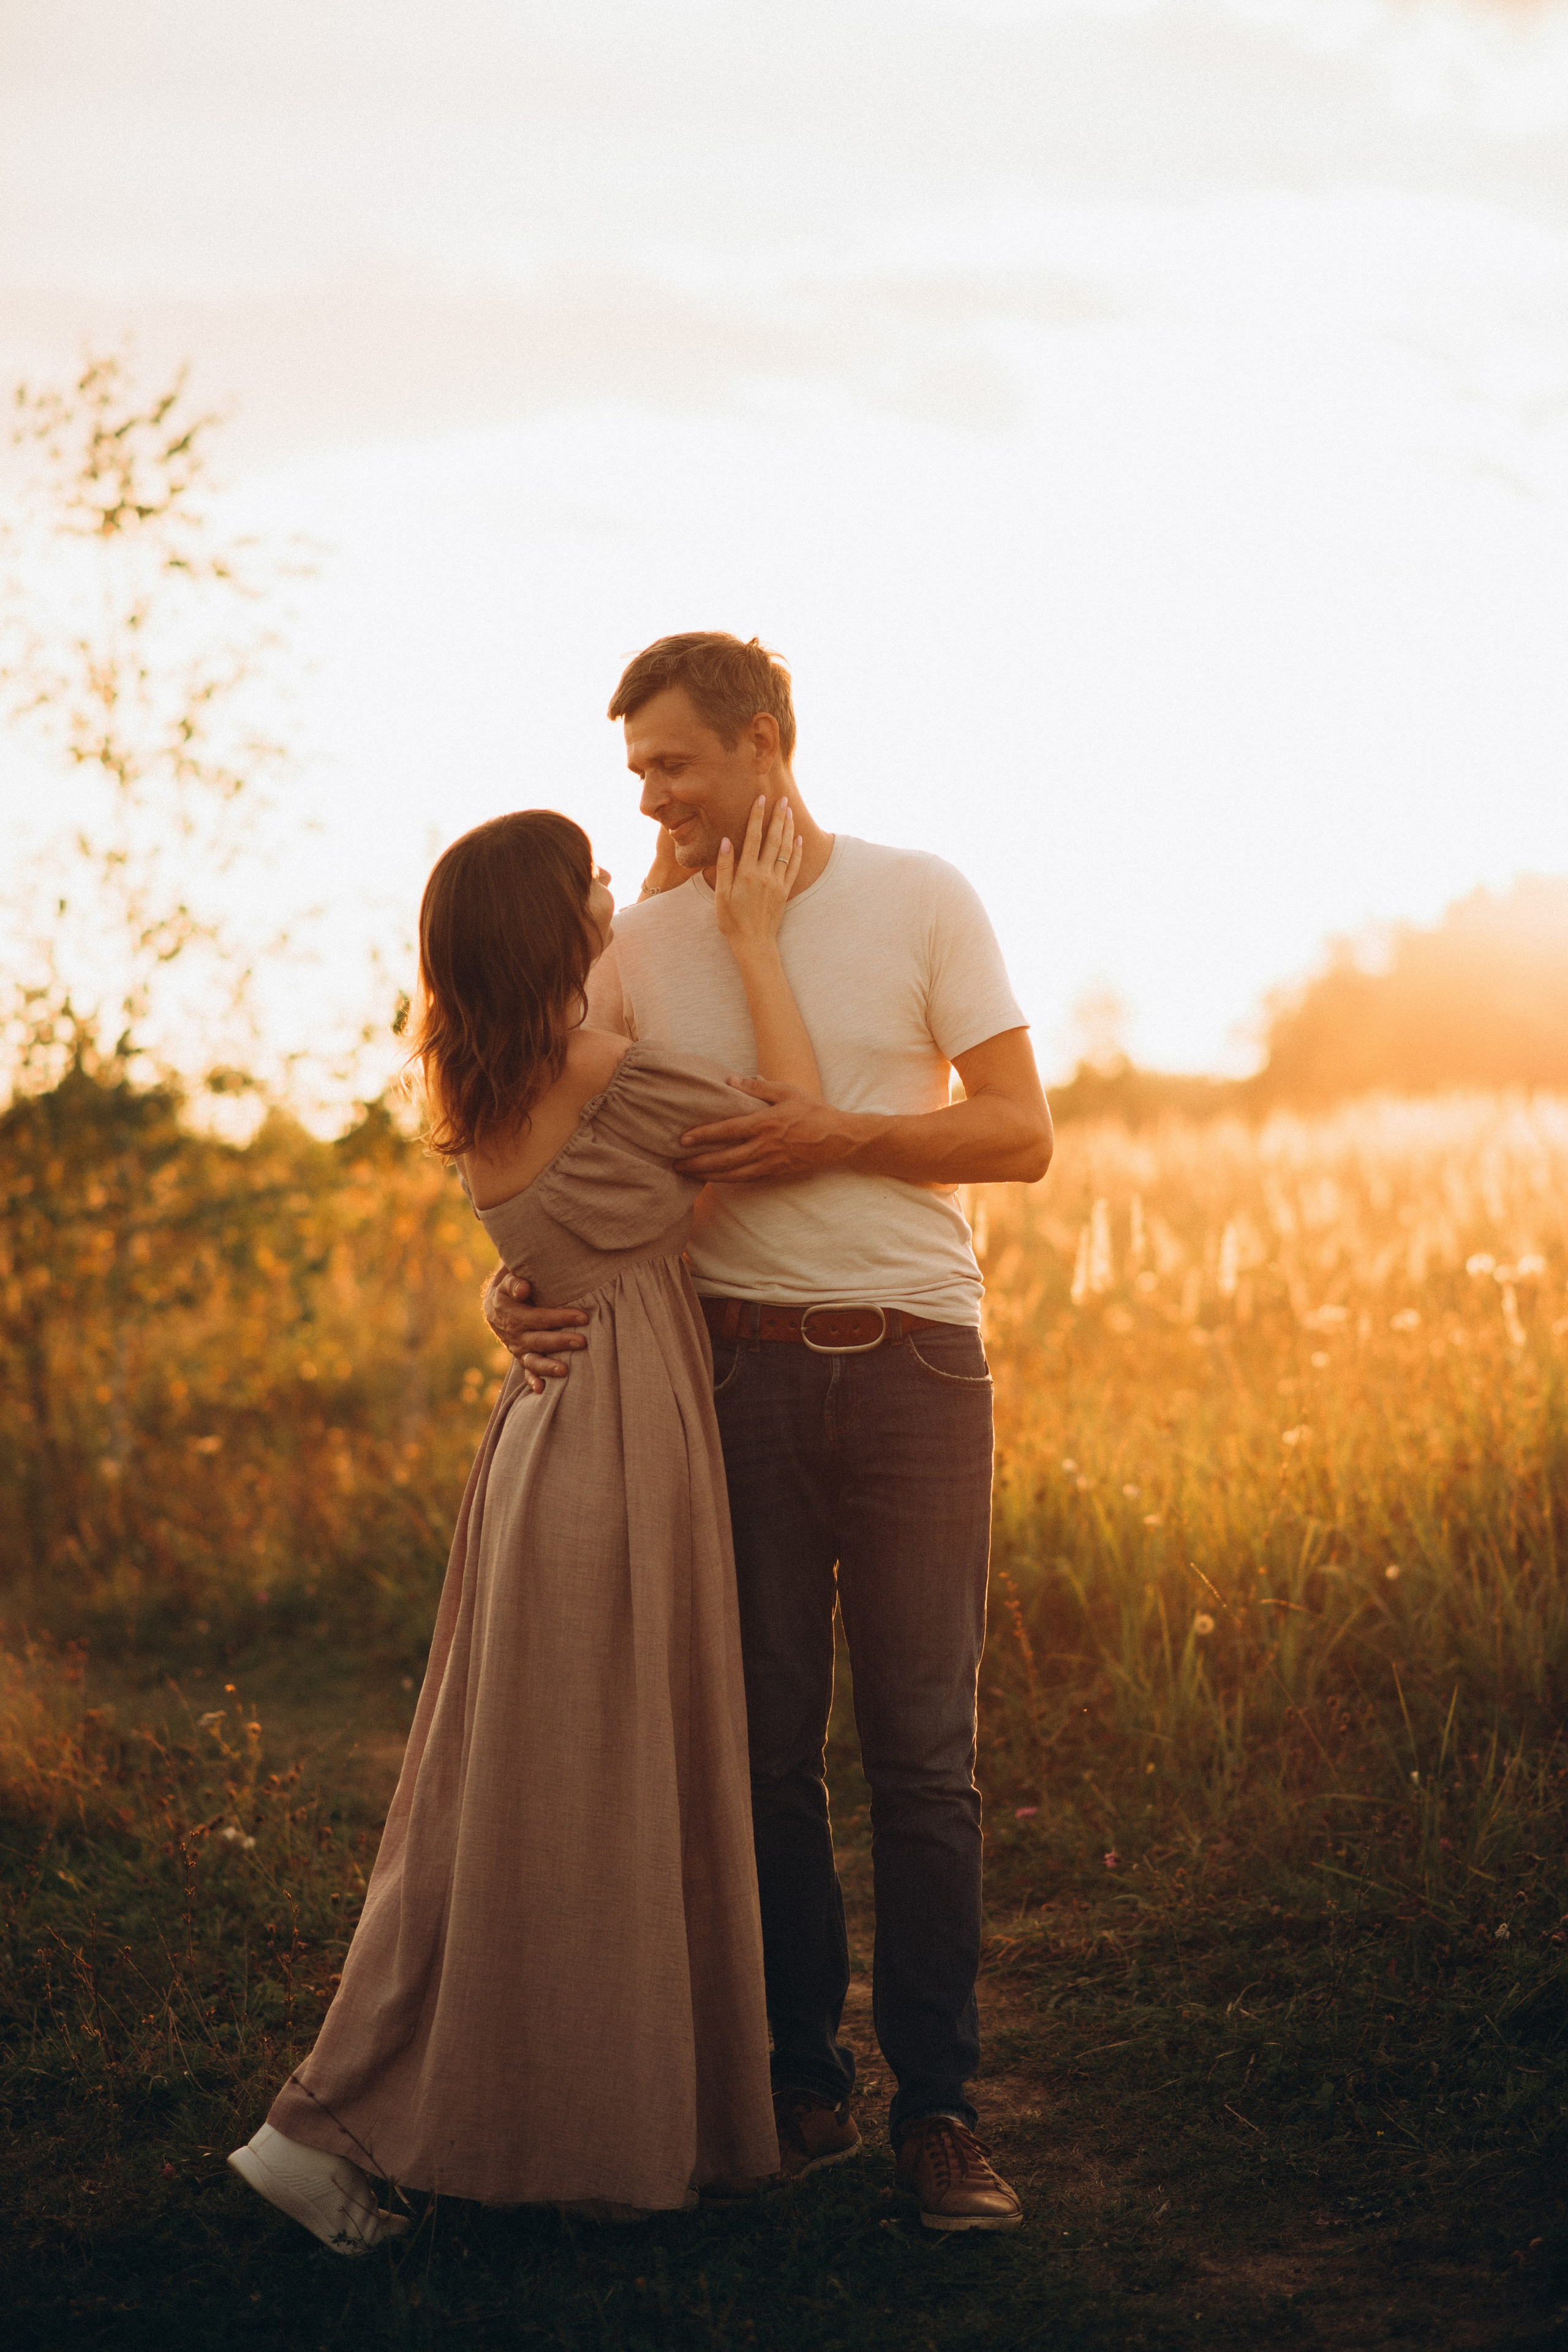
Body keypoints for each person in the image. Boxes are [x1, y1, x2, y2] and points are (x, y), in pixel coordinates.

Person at [487, 633, 1052, 2233]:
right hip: (728, 1376)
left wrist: (841, 1135)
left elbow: (1020, 1134)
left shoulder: (922, 894)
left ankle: (941, 2112)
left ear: (762, 744)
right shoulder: (634, 947)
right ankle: (802, 2077)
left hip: (919, 1364)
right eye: (636, 772)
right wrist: (510, 1289)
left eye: (671, 764)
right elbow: (547, 1147)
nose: (648, 800)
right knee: (762, 1749)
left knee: (924, 1756)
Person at [230, 797, 823, 2251]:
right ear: (558, 928)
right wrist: (748, 936)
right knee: (586, 1789)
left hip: (547, 1439)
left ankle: (558, 2114)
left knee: (525, 1796)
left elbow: (576, 1220)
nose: (618, 883)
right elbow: (792, 1121)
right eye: (593, 880)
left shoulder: (481, 1070)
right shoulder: (607, 1072)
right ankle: (327, 2125)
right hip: (617, 1439)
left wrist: (505, 1294)